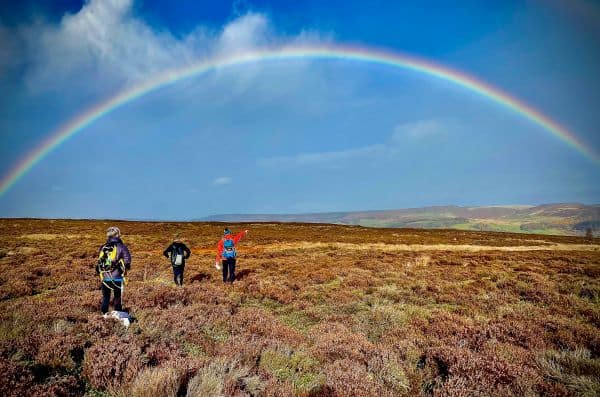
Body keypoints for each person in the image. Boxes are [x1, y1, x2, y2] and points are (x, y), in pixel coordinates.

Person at [96, 226, 131, 315]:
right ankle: (118, 314)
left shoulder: (103, 247)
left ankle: (103, 315)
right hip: (117, 277)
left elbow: (100, 260)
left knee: (106, 297)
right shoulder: (121, 246)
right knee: (117, 297)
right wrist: (126, 269)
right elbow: (127, 260)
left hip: (104, 276)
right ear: (117, 235)